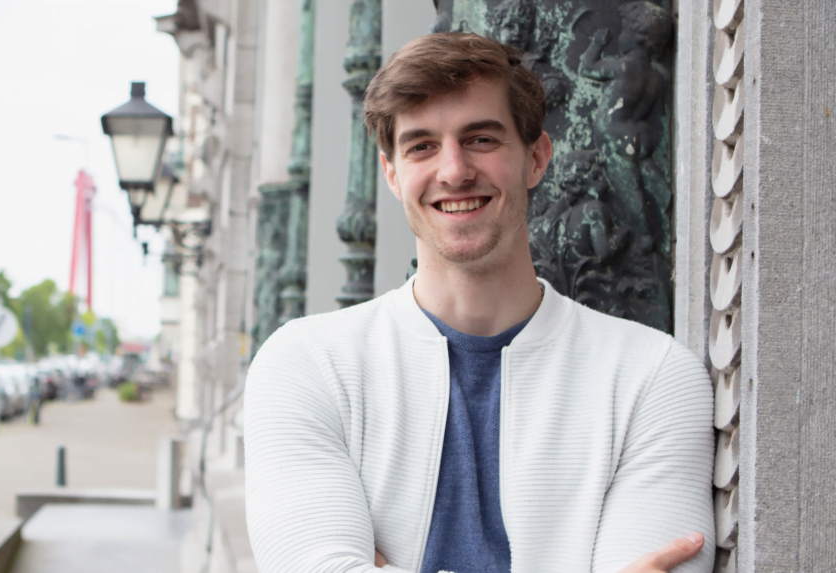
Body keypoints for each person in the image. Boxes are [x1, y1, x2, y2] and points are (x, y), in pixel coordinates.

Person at [244, 32, 714, 573]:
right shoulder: (308, 365)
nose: (453, 171)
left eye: (481, 139)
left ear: (536, 158)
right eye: (421, 146)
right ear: (392, 174)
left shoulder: (652, 378)